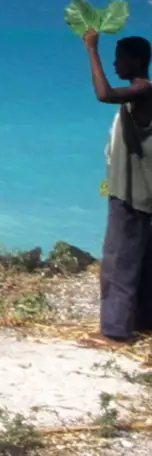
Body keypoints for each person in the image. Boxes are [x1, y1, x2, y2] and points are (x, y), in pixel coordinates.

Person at [81, 29, 152, 348]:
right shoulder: (142, 92)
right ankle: (140, 322)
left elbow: (103, 94)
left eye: (118, 57)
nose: (114, 62)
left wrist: (91, 50)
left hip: (132, 193)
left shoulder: (143, 90)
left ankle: (114, 332)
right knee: (141, 261)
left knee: (118, 261)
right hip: (141, 191)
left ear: (135, 61)